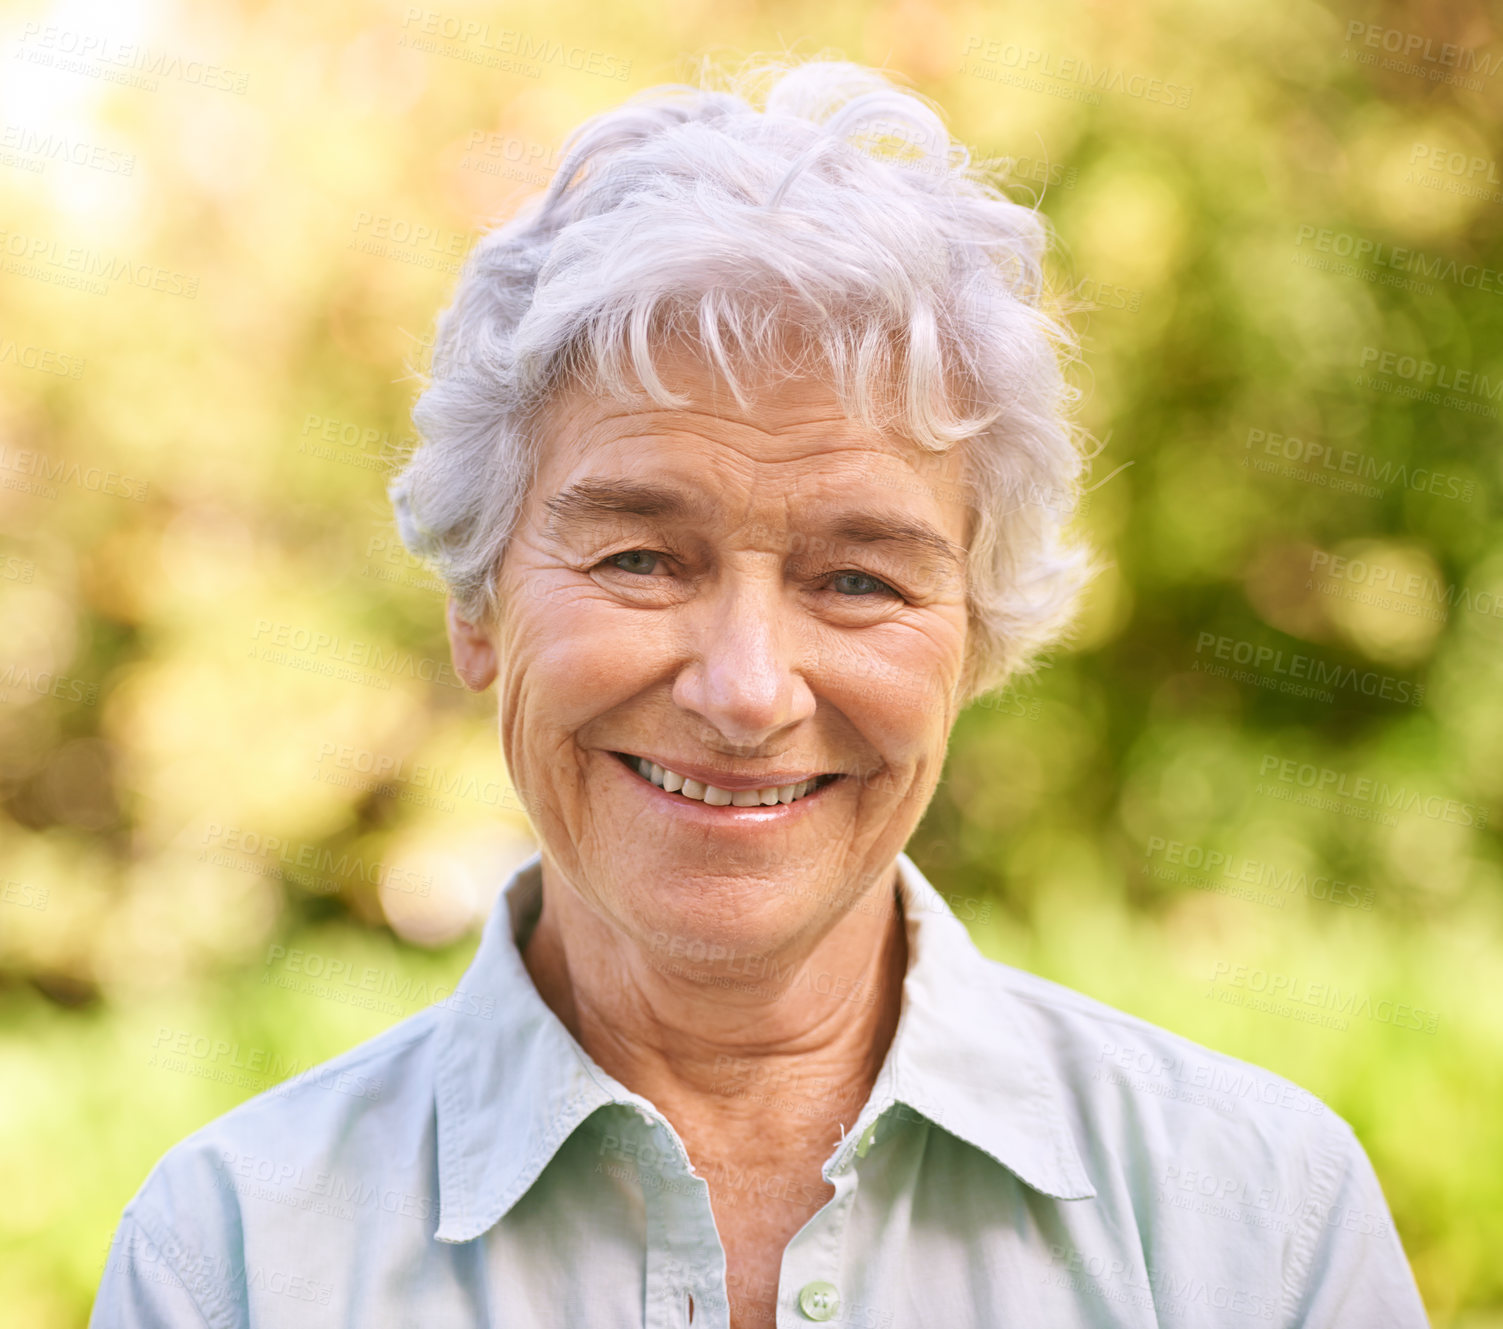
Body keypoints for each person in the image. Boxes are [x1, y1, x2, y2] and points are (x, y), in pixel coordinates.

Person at [92, 56, 1429, 1328]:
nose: (743, 688)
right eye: (637, 557)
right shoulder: (234, 1259)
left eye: (857, 578)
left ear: (977, 640)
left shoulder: (1257, 1224)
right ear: (478, 607)